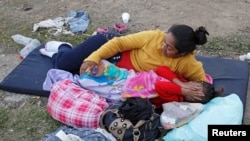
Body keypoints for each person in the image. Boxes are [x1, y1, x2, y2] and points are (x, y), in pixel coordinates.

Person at [40, 24, 209, 100]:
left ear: (182, 53)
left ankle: (70, 52)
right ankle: (62, 47)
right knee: (62, 65)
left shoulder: (188, 62)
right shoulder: (154, 37)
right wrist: (94, 57)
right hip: (108, 47)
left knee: (78, 74)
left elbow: (203, 83)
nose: (162, 46)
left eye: (169, 47)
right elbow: (118, 43)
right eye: (164, 40)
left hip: (115, 72)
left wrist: (191, 90)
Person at [149, 65, 224, 109]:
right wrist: (180, 83)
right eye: (195, 86)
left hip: (141, 93)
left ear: (191, 99)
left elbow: (159, 85)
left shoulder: (176, 99)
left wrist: (183, 91)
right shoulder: (183, 81)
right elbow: (160, 69)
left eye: (194, 91)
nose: (189, 89)